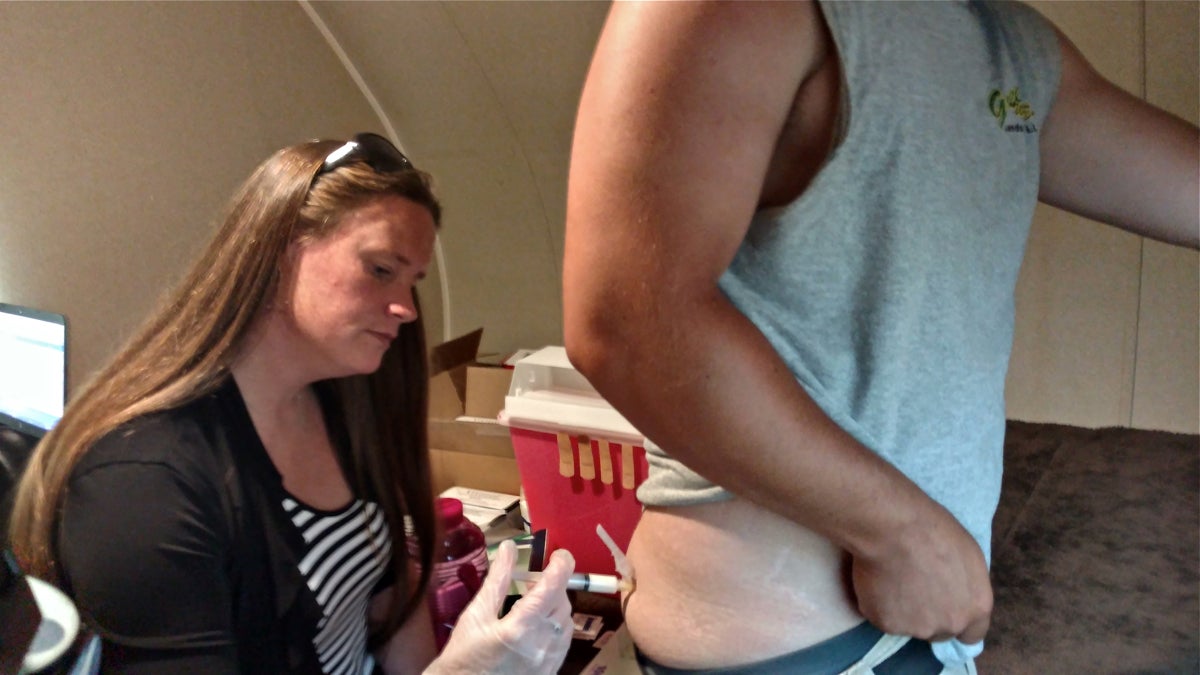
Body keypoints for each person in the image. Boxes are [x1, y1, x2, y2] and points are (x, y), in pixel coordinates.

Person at [563, 2, 1198, 674]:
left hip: (920, 626)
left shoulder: (1014, 45)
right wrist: (902, 535)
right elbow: (628, 322)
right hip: (805, 647)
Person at [8, 133, 576, 674]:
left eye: (413, 281)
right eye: (381, 270)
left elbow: (386, 602)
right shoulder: (142, 484)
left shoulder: (340, 403)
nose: (405, 306)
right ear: (279, 253)